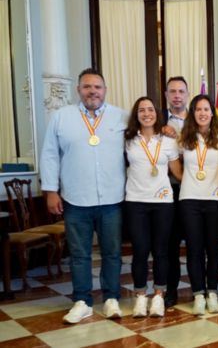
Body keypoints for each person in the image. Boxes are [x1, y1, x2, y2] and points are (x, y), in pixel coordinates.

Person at [40, 68, 127, 323]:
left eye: (97, 87)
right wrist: (51, 191)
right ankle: (82, 301)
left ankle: (111, 298)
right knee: (80, 254)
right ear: (78, 90)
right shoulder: (61, 117)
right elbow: (50, 155)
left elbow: (142, 141)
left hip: (112, 199)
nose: (92, 91)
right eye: (87, 87)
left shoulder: (120, 117)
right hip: (75, 199)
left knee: (112, 252)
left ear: (105, 90)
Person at [124, 97, 183, 318]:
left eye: (150, 109)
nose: (146, 113)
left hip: (163, 202)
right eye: (141, 110)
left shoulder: (167, 140)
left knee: (161, 251)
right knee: (139, 250)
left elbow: (177, 173)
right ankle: (140, 296)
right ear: (136, 114)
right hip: (135, 201)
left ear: (157, 113)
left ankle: (158, 294)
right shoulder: (127, 139)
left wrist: (203, 185)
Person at [177, 94, 218, 316]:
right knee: (194, 249)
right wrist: (189, 182)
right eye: (198, 110)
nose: (202, 113)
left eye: (206, 109)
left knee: (213, 249)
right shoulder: (184, 138)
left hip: (215, 199)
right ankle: (198, 294)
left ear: (213, 113)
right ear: (193, 114)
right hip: (189, 199)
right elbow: (175, 166)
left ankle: (212, 292)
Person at [161, 76, 189, 307]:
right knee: (170, 244)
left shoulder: (201, 118)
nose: (177, 95)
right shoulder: (156, 120)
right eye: (173, 91)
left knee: (197, 242)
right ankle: (171, 289)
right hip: (168, 190)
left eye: (181, 91)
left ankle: (202, 288)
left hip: (196, 190)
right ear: (166, 95)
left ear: (187, 95)